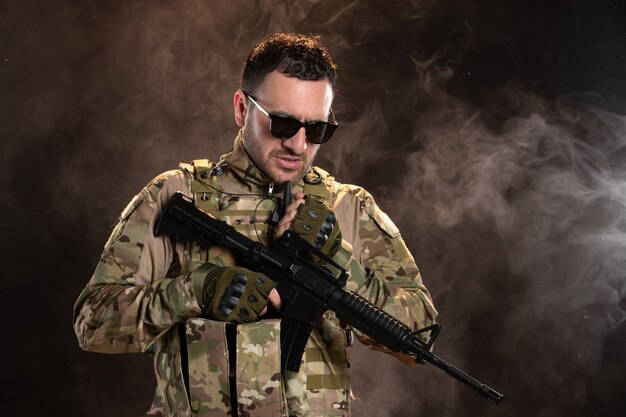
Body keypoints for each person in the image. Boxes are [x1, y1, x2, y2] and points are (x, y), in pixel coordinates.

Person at [73, 33, 438, 417]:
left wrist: (341, 265)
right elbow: (92, 322)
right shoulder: (174, 195)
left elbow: (418, 337)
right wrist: (193, 291)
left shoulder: (347, 208)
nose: (298, 146)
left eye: (316, 130)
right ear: (242, 109)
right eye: (282, 125)